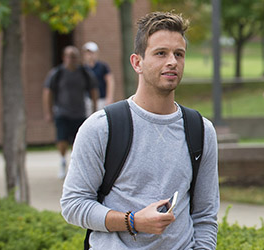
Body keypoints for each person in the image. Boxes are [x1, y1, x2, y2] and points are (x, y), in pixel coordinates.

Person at [60, 12, 219, 249]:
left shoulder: (201, 130)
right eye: (160, 53)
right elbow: (73, 204)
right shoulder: (101, 127)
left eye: (179, 54)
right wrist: (132, 221)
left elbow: (205, 215)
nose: (172, 62)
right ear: (137, 62)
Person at [42, 46, 98, 179]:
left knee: (77, 141)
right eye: (69, 56)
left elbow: (93, 90)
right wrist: (48, 111)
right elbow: (47, 92)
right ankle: (62, 160)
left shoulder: (84, 73)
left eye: (74, 57)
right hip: (62, 112)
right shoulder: (57, 73)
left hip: (79, 113)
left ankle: (74, 166)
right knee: (61, 139)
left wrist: (94, 108)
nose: (72, 59)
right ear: (64, 57)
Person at [82, 41, 117, 113]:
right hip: (88, 99)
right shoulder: (83, 68)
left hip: (101, 99)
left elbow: (110, 81)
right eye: (87, 53)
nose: (89, 55)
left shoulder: (102, 66)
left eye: (91, 53)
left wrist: (109, 97)